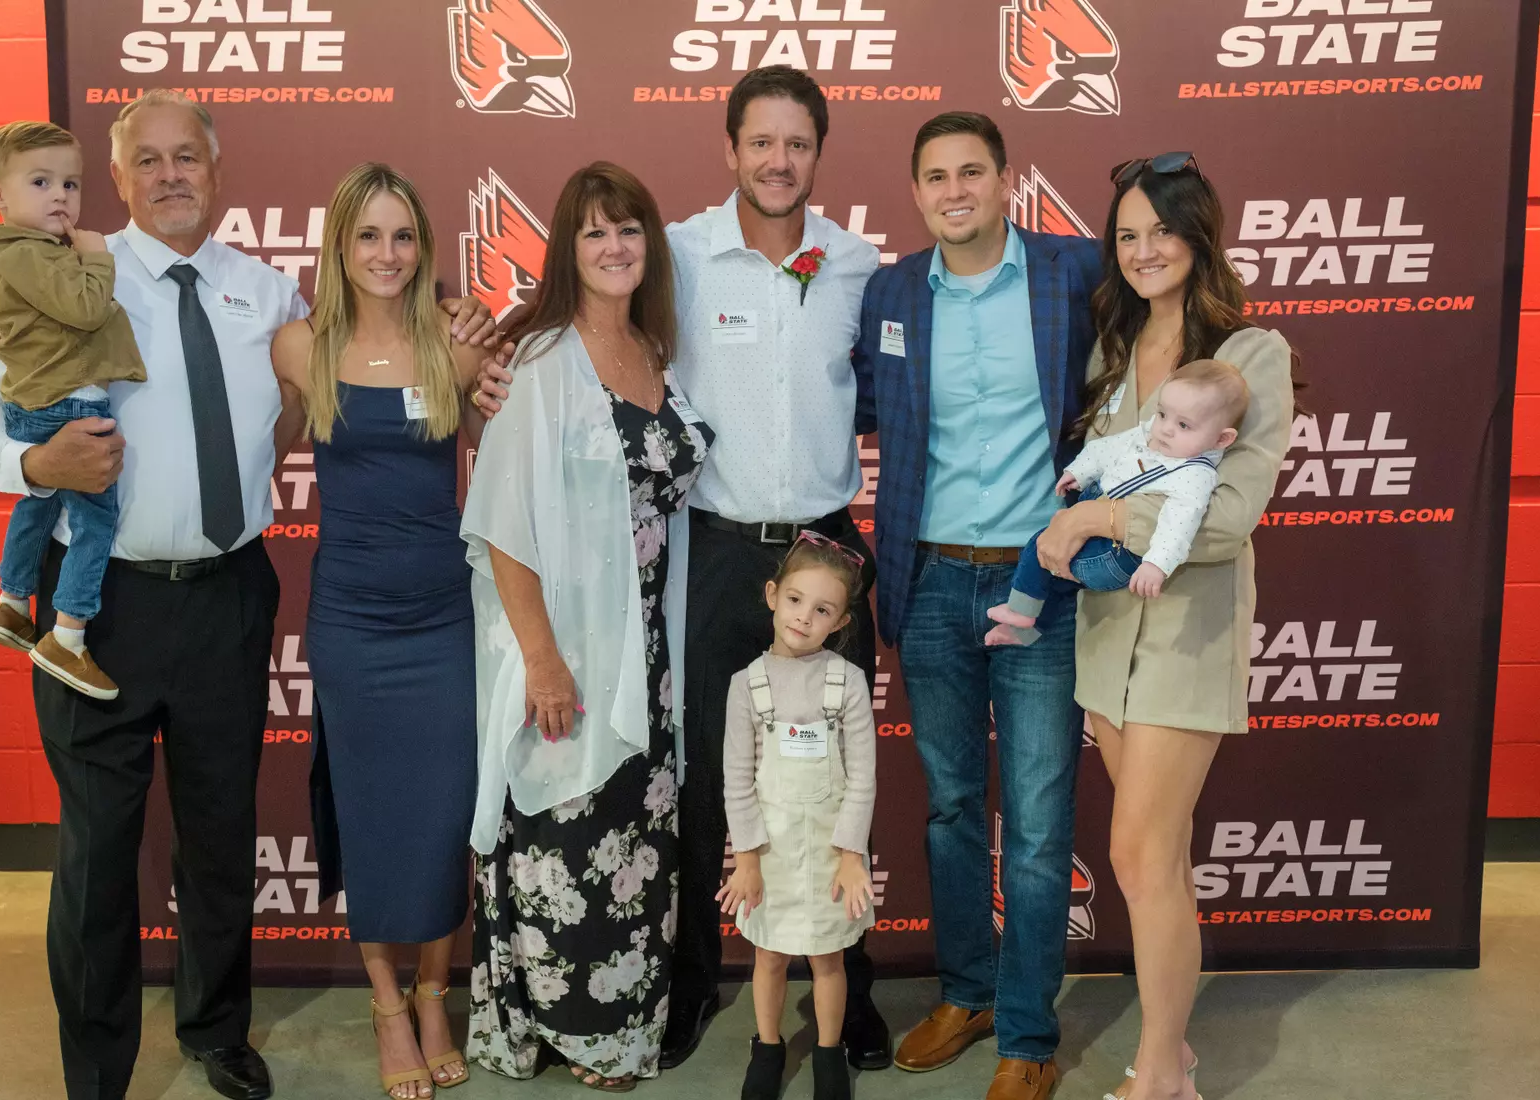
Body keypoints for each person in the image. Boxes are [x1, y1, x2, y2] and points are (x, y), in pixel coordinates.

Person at [0, 90, 496, 1100]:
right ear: (116, 178)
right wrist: (33, 464)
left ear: (216, 167)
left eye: (186, 158)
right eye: (147, 160)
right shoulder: (76, 274)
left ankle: (216, 1030)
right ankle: (97, 1065)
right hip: (96, 604)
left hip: (228, 593)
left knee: (217, 836)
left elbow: (362, 357)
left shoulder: (273, 298)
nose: (168, 176)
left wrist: (461, 308)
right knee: (98, 851)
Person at [471, 66, 893, 1072]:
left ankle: (852, 984)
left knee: (838, 780)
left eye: (798, 143)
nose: (778, 160)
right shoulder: (679, 256)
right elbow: (570, 339)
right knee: (704, 776)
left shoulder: (859, 265)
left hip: (827, 548)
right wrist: (478, 365)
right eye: (761, 141)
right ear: (731, 148)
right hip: (714, 558)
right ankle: (700, 976)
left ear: (818, 154)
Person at [1030, 153, 1295, 1100]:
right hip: (1106, 641)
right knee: (1161, 864)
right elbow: (1100, 471)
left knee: (1138, 857)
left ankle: (1155, 1075)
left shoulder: (1249, 352)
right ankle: (1174, 1051)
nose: (1143, 251)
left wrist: (1098, 520)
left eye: (1161, 231)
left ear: (1198, 236)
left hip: (1185, 642)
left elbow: (1222, 520)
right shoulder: (1112, 347)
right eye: (1127, 235)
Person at [850, 111, 1103, 1100]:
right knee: (953, 805)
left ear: (1006, 180)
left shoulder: (1076, 272)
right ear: (916, 193)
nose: (954, 189)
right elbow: (860, 406)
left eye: (972, 171)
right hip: (930, 581)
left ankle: (1029, 1035)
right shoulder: (892, 290)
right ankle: (968, 992)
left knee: (1038, 820)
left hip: (1040, 584)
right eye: (936, 176)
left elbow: (1168, 337)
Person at [461, 161, 712, 1092]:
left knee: (636, 842)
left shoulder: (656, 353)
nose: (615, 247)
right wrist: (542, 662)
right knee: (565, 832)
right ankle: (560, 1029)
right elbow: (501, 526)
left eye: (630, 230)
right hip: (567, 647)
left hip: (650, 647)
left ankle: (619, 1027)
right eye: (594, 232)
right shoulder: (538, 362)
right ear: (566, 251)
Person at [270, 163, 484, 1100]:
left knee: (443, 815)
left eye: (403, 237)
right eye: (368, 237)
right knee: (367, 810)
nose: (387, 255)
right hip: (351, 614)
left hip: (445, 610)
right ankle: (387, 1005)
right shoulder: (297, 348)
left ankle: (437, 993)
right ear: (339, 248)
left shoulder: (459, 342)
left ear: (423, 247)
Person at [0, 120, 147, 699]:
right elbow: (88, 309)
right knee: (94, 519)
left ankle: (12, 602)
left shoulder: (32, 253)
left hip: (46, 400)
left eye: (70, 184)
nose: (60, 197)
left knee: (37, 506)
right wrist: (95, 257)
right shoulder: (35, 254)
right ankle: (67, 635)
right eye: (41, 181)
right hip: (68, 402)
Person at [716, 534, 877, 1100]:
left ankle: (829, 1052)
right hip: (772, 854)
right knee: (770, 957)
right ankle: (768, 1045)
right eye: (795, 600)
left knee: (830, 959)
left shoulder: (847, 681)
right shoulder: (747, 685)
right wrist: (747, 860)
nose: (804, 618)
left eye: (822, 610)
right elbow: (737, 781)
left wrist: (851, 857)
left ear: (840, 622)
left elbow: (862, 778)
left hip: (832, 854)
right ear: (771, 596)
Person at [985, 360, 1249, 646]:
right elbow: (1107, 448)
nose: (1165, 429)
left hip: (1117, 557)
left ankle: (1019, 611)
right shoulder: (1151, 436)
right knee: (1059, 580)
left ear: (1222, 439)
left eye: (1184, 425)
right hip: (1107, 544)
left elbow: (1180, 525)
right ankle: (1026, 631)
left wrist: (1156, 565)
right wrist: (1080, 471)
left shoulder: (1194, 475)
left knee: (1041, 545)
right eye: (1162, 414)